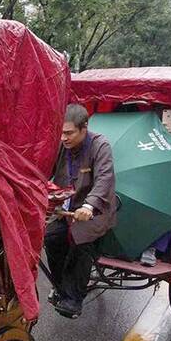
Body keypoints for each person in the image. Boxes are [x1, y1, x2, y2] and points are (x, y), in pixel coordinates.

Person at [45, 104, 116, 318]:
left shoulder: (99, 145)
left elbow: (104, 179)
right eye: (61, 133)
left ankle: (74, 299)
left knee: (80, 240)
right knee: (50, 238)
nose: (63, 138)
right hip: (66, 209)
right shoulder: (61, 147)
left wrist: (88, 205)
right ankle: (61, 286)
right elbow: (43, 171)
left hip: (94, 211)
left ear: (84, 128)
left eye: (69, 133)